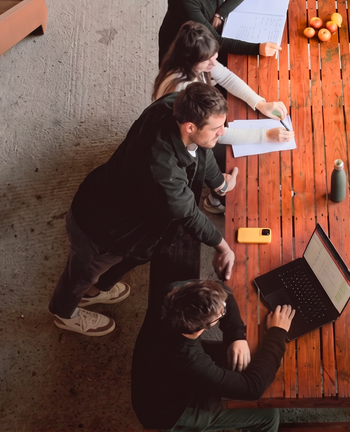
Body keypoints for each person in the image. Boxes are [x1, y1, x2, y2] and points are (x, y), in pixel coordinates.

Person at [48, 83, 239, 336]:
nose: (222, 132)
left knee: (105, 270)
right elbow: (188, 213)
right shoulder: (164, 171)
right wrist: (222, 247)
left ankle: (93, 294)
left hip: (123, 210)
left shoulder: (174, 104)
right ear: (190, 126)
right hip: (100, 228)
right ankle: (64, 312)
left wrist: (220, 184)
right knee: (80, 275)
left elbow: (201, 154)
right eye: (217, 128)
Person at [154, 23, 295, 214]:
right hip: (188, 143)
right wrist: (265, 135)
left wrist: (260, 103)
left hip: (200, 127)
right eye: (208, 61)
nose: (214, 64)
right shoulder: (183, 88)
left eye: (215, 57)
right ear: (191, 60)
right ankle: (216, 199)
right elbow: (216, 134)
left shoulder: (196, 63)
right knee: (240, 164)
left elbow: (226, 77)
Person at [132, 279, 294, 432]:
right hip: (165, 411)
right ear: (202, 328)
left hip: (163, 371)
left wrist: (236, 336)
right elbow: (253, 389)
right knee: (269, 416)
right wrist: (277, 332)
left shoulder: (170, 293)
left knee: (242, 356)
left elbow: (221, 289)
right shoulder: (189, 360)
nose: (225, 308)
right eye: (221, 313)